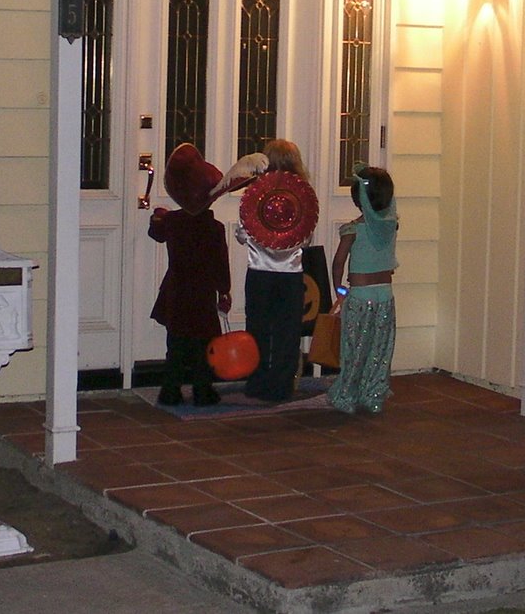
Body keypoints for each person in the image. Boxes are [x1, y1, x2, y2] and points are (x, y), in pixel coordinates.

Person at [235, 139, 318, 402]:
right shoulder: (302, 196)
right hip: (290, 275)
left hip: (259, 272)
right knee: (287, 331)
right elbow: (306, 239)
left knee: (257, 328)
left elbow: (242, 234)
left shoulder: (257, 194)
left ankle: (257, 382)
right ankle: (282, 385)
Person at [149, 144, 232, 406]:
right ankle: (202, 391)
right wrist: (224, 290)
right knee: (203, 345)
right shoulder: (214, 228)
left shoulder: (172, 222)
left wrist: (157, 218)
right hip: (203, 293)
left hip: (176, 290)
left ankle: (170, 390)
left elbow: (156, 234)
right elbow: (220, 263)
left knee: (175, 344)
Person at [327, 164, 398, 414]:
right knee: (380, 348)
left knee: (355, 348)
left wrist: (338, 288)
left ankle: (347, 395)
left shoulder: (353, 229)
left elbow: (339, 262)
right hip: (385, 295)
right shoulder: (391, 226)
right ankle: (374, 394)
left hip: (360, 296)